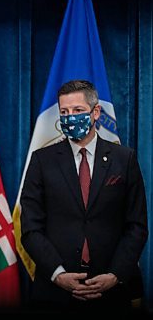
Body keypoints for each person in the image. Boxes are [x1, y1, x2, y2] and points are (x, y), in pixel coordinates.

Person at [20, 80, 148, 313]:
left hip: (113, 290)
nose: (70, 117)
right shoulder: (42, 161)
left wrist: (115, 274)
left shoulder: (124, 158)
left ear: (95, 112)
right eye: (64, 112)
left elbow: (136, 226)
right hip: (55, 292)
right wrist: (58, 275)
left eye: (77, 110)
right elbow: (30, 229)